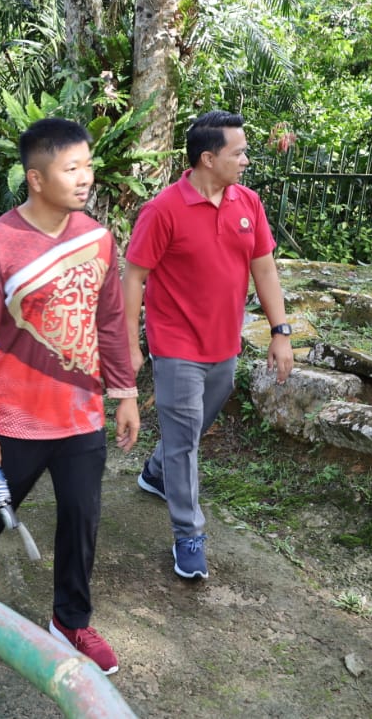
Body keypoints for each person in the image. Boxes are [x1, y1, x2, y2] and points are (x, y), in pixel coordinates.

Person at [0, 117, 138, 675]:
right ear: (36, 178)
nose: (85, 178)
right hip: (15, 413)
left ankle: (70, 620)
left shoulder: (98, 238)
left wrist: (125, 392)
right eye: (71, 168)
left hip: (82, 413)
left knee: (82, 516)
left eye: (88, 166)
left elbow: (111, 321)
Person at [123, 109, 293, 581]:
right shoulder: (163, 210)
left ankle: (156, 472)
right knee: (185, 440)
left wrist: (280, 331)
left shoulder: (248, 203)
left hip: (224, 344)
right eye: (238, 153)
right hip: (176, 345)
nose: (246, 160)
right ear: (208, 158)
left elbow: (264, 268)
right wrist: (132, 345)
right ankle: (189, 534)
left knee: (191, 430)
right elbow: (134, 277)